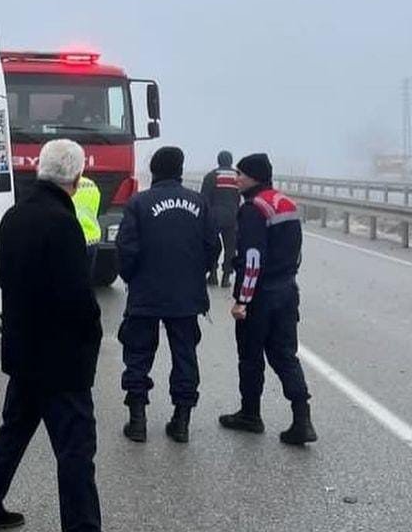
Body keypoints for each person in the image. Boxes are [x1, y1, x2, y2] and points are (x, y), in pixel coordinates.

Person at [0, 139, 134, 532]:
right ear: (76, 179)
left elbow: (5, 275)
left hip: (23, 347)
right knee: (76, 445)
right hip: (60, 357)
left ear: (40, 170)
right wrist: (91, 333)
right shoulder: (63, 224)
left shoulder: (14, 216)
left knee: (15, 429)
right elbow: (77, 296)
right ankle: (82, 531)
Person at [116, 146, 219, 444]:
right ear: (180, 170)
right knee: (185, 355)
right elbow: (214, 245)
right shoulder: (199, 203)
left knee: (137, 354)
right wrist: (197, 273)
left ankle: (137, 421)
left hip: (145, 292)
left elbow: (126, 247)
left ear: (155, 170)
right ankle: (182, 421)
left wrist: (131, 277)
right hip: (186, 296)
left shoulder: (140, 202)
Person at [219, 152, 318, 446]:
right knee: (285, 355)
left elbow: (252, 259)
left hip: (261, 296)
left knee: (250, 357)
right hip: (287, 291)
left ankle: (250, 415)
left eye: (240, 174)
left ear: (254, 177)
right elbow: (296, 251)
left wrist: (242, 300)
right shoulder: (286, 203)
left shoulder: (253, 209)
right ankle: (302, 419)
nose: (236, 179)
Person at [200, 149, 241, 287]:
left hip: (214, 216)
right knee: (230, 247)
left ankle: (212, 274)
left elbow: (204, 199)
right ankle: (226, 277)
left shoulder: (211, 176)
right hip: (232, 216)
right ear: (231, 161)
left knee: (213, 245)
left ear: (218, 161)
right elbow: (239, 197)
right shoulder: (238, 177)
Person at [73, 173, 101, 273]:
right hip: (91, 240)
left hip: (70, 240)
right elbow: (95, 210)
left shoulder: (61, 185)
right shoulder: (91, 185)